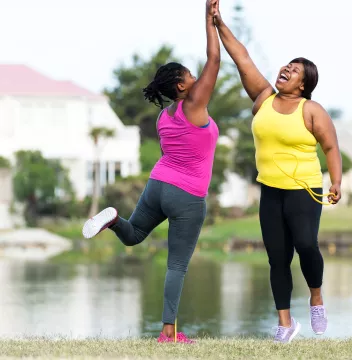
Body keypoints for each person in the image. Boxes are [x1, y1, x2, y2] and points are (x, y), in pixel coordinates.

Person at [82, 0, 221, 344]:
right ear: (181, 86)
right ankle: (168, 334)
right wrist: (210, 20)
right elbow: (215, 60)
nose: (195, 77)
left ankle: (114, 219)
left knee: (132, 235)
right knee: (176, 266)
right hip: (187, 196)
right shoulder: (194, 105)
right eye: (190, 75)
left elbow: (168, 152)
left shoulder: (164, 117)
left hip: (158, 184)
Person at [211, 1, 342, 343]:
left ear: (303, 84)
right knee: (277, 258)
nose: (286, 68)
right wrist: (219, 23)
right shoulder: (262, 99)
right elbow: (242, 58)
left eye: (295, 69)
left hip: (305, 189)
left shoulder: (311, 110)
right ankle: (285, 324)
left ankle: (315, 296)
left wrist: (337, 181)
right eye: (287, 64)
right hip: (270, 190)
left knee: (305, 244)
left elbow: (330, 147)